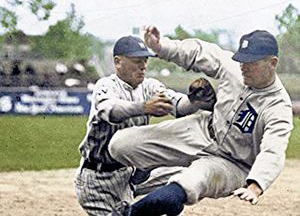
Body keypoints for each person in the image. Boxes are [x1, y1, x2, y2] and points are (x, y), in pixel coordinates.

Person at [108, 26, 294, 216]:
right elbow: (198, 52)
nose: (243, 66)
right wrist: (161, 46)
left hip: (232, 164)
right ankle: (154, 169)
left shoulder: (278, 106)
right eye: (241, 59)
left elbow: (273, 150)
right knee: (119, 144)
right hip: (202, 130)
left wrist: (256, 184)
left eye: (251, 62)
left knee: (186, 185)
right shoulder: (234, 69)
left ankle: (130, 213)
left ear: (272, 62)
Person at [75, 35, 216, 216]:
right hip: (99, 180)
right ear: (118, 62)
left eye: (145, 60)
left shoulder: (149, 86)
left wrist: (195, 100)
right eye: (136, 61)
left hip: (131, 174)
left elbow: (178, 106)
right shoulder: (106, 85)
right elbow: (110, 110)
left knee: (185, 176)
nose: (143, 66)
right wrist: (143, 107)